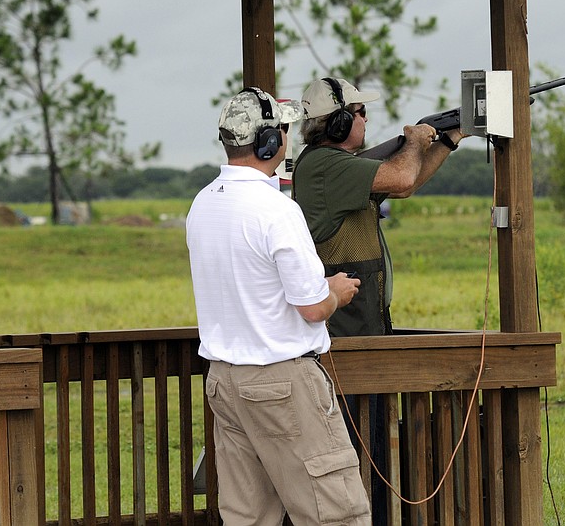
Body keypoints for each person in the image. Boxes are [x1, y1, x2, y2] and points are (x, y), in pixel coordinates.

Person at [186, 86, 371, 525]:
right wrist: (337, 293)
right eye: (284, 129)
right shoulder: (275, 209)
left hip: (225, 382)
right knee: (336, 513)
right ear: (270, 142)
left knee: (248, 517)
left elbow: (252, 282)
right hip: (280, 381)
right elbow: (312, 308)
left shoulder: (202, 204)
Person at [292, 77, 466, 521]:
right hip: (344, 337)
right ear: (339, 122)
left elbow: (405, 182)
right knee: (353, 453)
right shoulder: (329, 167)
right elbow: (404, 177)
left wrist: (445, 140)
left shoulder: (337, 166)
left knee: (365, 448)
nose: (366, 121)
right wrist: (413, 140)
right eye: (359, 113)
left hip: (361, 329)